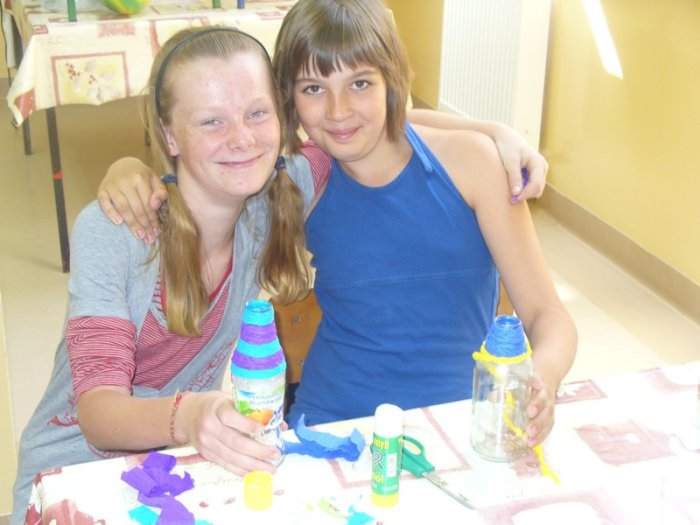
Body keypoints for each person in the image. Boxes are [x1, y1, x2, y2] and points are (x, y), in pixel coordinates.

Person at [98, 0, 574, 450]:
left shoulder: (475, 165)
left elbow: (547, 316)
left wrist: (543, 377)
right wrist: (127, 167)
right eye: (313, 89)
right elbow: (202, 182)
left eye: (360, 83)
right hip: (330, 426)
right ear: (288, 102)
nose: (339, 110)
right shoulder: (298, 181)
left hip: (456, 423)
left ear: (392, 80)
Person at [10, 27, 319, 525]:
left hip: (174, 469)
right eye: (212, 121)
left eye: (257, 113)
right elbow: (99, 413)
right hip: (75, 476)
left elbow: (362, 131)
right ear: (170, 135)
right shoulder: (117, 231)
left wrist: (483, 137)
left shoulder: (267, 204)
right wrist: (191, 416)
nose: (242, 137)